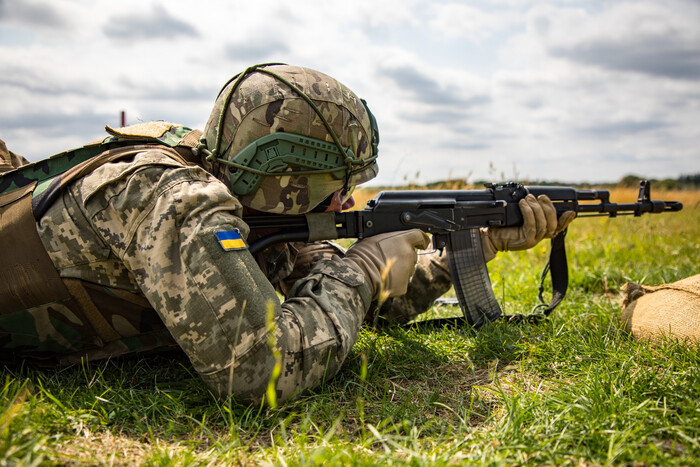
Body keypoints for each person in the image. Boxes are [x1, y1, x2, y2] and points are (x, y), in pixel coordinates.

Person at [0, 64, 571, 404]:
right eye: (339, 182)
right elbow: (262, 369)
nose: (348, 199)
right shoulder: (173, 201)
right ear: (288, 180)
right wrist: (363, 266)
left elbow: (342, 308)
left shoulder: (253, 202)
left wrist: (478, 246)